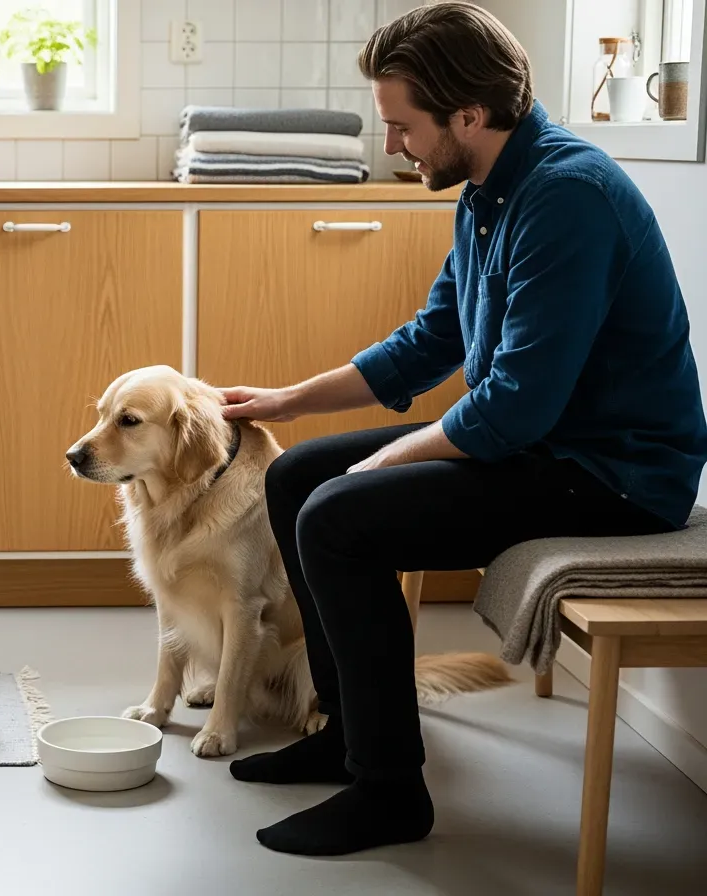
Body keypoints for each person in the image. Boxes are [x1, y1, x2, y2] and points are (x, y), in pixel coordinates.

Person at [220, 2, 707, 858]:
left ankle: (388, 792)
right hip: (545, 447)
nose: (393, 146)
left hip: (614, 475)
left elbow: (513, 405)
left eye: (403, 126)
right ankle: (345, 732)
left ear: (470, 115)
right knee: (295, 476)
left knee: (336, 517)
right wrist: (286, 402)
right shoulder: (489, 189)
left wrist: (386, 460)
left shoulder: (567, 198)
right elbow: (431, 340)